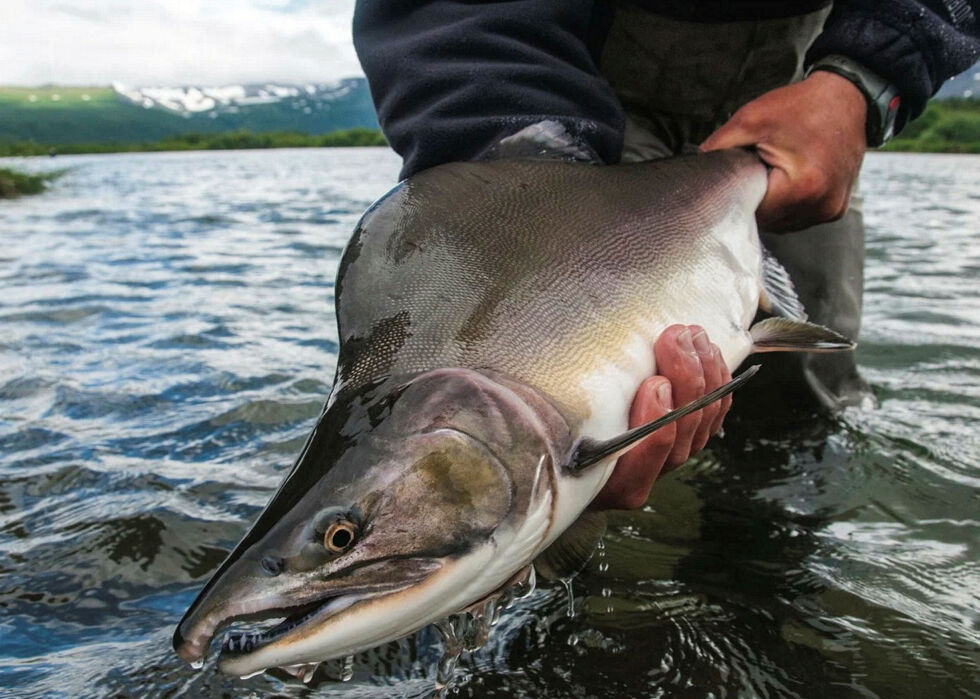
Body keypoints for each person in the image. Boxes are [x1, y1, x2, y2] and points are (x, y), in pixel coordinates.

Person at [352, 1, 980, 509]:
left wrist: (866, 80)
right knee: (584, 448)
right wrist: (522, 164)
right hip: (572, 88)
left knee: (806, 400)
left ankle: (770, 589)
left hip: (815, 83)